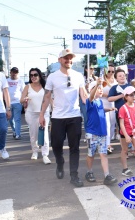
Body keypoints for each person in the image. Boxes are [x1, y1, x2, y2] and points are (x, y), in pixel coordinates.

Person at [39, 49, 86, 187]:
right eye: (66, 58)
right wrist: (42, 114)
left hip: (75, 116)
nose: (69, 60)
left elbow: (84, 96)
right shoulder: (53, 77)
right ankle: (60, 163)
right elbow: (47, 96)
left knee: (74, 147)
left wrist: (95, 94)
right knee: (56, 144)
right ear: (60, 60)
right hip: (58, 117)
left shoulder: (78, 76)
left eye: (71, 58)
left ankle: (74, 175)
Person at [84, 79, 117, 185]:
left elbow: (101, 110)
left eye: (101, 88)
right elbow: (91, 97)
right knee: (91, 154)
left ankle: (107, 175)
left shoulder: (100, 101)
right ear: (92, 90)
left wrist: (109, 110)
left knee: (103, 154)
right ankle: (89, 172)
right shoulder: (89, 101)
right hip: (92, 133)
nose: (101, 90)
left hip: (102, 132)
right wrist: (97, 84)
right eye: (98, 88)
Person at [20, 68, 51, 164]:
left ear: (39, 75)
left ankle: (45, 154)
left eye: (35, 75)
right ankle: (35, 151)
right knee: (33, 134)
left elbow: (50, 99)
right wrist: (24, 100)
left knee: (44, 133)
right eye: (31, 75)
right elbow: (21, 100)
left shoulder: (45, 86)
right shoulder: (27, 87)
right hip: (31, 113)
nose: (33, 77)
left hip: (44, 112)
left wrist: (54, 110)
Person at [108, 69, 130, 138]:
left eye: (123, 75)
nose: (122, 77)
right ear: (116, 78)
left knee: (131, 127)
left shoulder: (129, 86)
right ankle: (124, 146)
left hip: (130, 111)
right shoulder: (114, 88)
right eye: (120, 76)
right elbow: (109, 99)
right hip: (120, 112)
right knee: (122, 129)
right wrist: (121, 95)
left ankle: (132, 143)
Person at [101, 64, 117, 153]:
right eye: (109, 71)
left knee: (112, 124)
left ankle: (109, 142)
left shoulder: (115, 81)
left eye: (112, 71)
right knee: (106, 125)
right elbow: (100, 92)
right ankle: (106, 145)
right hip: (104, 104)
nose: (110, 73)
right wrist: (109, 96)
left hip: (113, 105)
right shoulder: (102, 80)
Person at [7, 67, 25, 139]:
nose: (14, 74)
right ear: (10, 72)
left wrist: (23, 100)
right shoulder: (6, 81)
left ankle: (18, 134)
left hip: (17, 102)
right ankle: (14, 131)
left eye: (16, 72)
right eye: (13, 72)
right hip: (9, 103)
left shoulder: (20, 81)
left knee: (17, 119)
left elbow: (23, 92)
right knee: (10, 120)